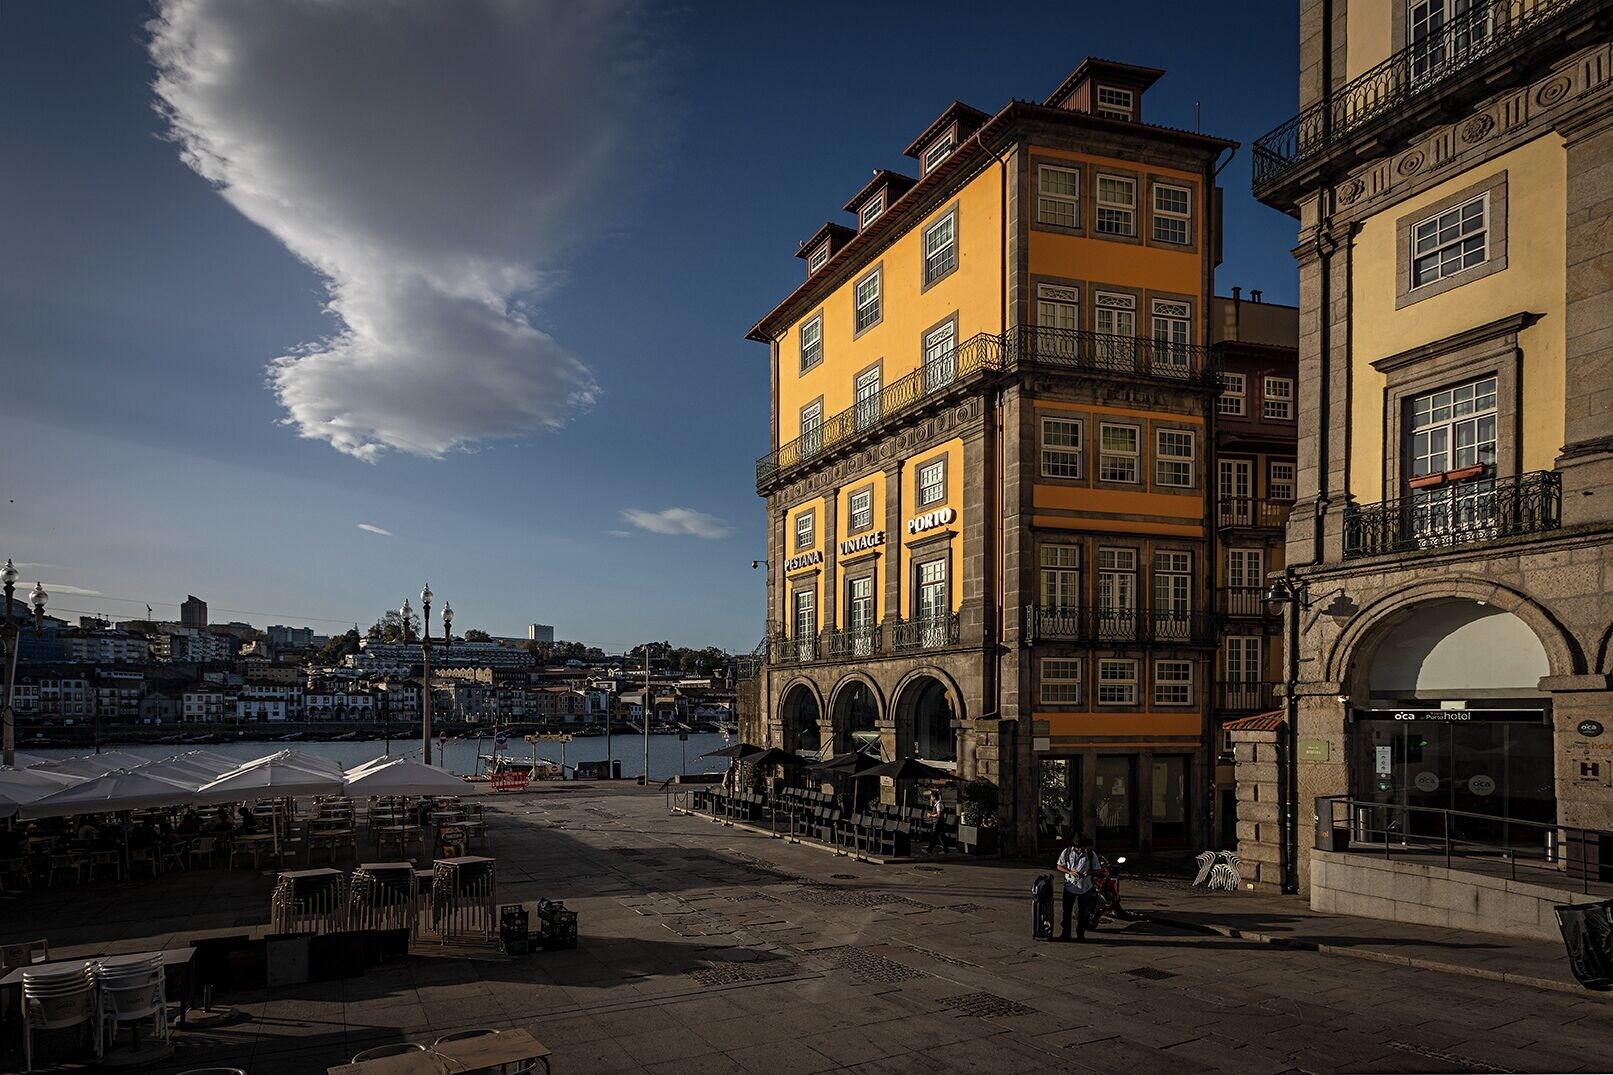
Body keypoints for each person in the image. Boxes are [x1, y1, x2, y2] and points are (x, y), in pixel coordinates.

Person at [1056, 831, 1095, 942]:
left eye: (1082, 847)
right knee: (1066, 911)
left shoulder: (1090, 854)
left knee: (1083, 913)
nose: (1081, 849)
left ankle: (1080, 935)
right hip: (1069, 886)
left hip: (1085, 887)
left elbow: (1097, 869)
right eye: (1078, 847)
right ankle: (1066, 933)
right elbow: (1059, 866)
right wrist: (1069, 871)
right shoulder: (1067, 852)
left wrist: (1089, 873)